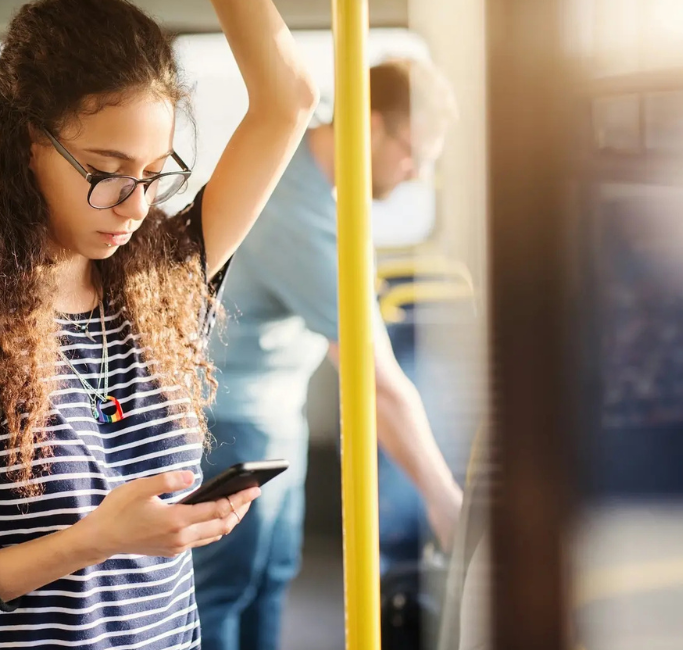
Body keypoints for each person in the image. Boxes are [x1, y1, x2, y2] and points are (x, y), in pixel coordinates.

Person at [0, 0, 319, 648]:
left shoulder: (163, 283)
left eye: (152, 174)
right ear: (26, 142)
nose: (136, 206)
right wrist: (95, 541)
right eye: (106, 171)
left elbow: (288, 99)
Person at [191, 58, 462, 650]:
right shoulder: (301, 213)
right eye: (414, 152)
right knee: (222, 592)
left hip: (272, 414)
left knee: (267, 581)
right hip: (231, 419)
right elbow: (378, 383)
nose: (416, 173)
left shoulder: (320, 177)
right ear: (370, 125)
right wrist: (446, 504)